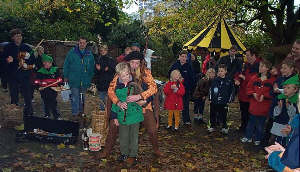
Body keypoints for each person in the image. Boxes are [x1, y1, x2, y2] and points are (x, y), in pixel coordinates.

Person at [98, 51, 163, 159]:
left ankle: (156, 149)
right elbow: (111, 90)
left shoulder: (145, 72)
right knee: (114, 125)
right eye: (132, 62)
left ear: (141, 63)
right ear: (128, 62)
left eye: (137, 63)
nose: (135, 65)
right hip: (125, 109)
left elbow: (154, 88)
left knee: (152, 129)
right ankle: (107, 151)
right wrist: (118, 102)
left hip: (143, 107)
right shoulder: (123, 72)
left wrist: (141, 96)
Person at [110, 62, 144, 166]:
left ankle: (133, 155)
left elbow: (143, 98)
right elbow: (114, 103)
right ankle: (124, 153)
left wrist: (138, 100)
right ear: (118, 76)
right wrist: (114, 116)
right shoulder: (117, 88)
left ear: (130, 73)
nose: (125, 78)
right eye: (122, 75)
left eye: (127, 75)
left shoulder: (135, 85)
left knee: (134, 137)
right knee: (123, 137)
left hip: (134, 116)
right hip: (122, 117)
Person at [241, 59, 276, 146]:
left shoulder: (272, 80)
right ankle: (248, 136)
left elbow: (273, 92)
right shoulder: (255, 78)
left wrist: (264, 96)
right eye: (260, 66)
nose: (260, 68)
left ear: (267, 68)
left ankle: (258, 138)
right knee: (251, 122)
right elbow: (248, 88)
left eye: (262, 66)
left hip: (264, 107)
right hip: (254, 105)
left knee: (260, 124)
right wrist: (253, 94)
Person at [2, 28, 35, 117]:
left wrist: (27, 63)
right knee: (14, 95)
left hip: (24, 75)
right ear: (13, 38)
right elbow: (3, 60)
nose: (19, 37)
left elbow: (32, 60)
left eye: (20, 36)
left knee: (27, 95)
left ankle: (29, 114)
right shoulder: (8, 47)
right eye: (17, 36)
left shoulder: (26, 47)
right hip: (13, 75)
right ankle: (15, 115)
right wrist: (7, 61)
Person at [63, 37, 95, 120]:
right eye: (81, 42)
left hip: (85, 80)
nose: (82, 44)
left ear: (86, 43)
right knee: (75, 97)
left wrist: (90, 78)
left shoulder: (89, 54)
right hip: (74, 79)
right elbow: (66, 65)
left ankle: (82, 112)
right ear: (78, 43)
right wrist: (65, 76)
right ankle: (75, 114)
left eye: (84, 43)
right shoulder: (72, 53)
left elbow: (92, 68)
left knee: (83, 97)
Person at [234, 48, 261, 132]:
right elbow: (239, 73)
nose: (246, 57)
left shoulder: (259, 66)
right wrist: (237, 79)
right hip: (243, 93)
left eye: (248, 55)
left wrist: (245, 78)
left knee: (252, 113)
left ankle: (252, 130)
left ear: (254, 56)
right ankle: (244, 127)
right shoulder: (246, 64)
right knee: (243, 111)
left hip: (252, 94)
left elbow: (258, 79)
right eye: (246, 55)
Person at [270, 75, 299, 147]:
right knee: (276, 141)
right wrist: (279, 108)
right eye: (284, 87)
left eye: (288, 88)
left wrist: (289, 107)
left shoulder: (296, 102)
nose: (285, 89)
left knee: (284, 143)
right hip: (279, 124)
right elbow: (275, 113)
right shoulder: (281, 98)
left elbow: (294, 116)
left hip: (287, 126)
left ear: (295, 90)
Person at [169, 50, 195, 125]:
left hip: (185, 89)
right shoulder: (175, 65)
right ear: (179, 57)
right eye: (182, 56)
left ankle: (186, 120)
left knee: (185, 105)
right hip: (175, 89)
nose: (183, 58)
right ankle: (173, 119)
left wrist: (189, 87)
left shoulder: (189, 66)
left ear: (187, 58)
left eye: (185, 57)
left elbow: (192, 78)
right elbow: (170, 76)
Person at [208, 64, 234, 134]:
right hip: (214, 101)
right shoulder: (215, 80)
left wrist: (229, 100)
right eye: (219, 71)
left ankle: (224, 127)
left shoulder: (229, 81)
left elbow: (231, 91)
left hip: (224, 102)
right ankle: (212, 126)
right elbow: (210, 90)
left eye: (222, 71)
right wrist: (210, 98)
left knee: (224, 115)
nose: (220, 72)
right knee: (212, 114)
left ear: (225, 71)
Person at [34, 55, 63, 119]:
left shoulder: (55, 70)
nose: (47, 64)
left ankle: (56, 115)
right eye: (45, 62)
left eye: (49, 63)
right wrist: (38, 87)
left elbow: (60, 78)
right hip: (44, 90)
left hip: (53, 89)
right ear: (43, 63)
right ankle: (47, 114)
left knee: (53, 102)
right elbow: (36, 81)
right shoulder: (40, 72)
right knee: (46, 102)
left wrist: (60, 84)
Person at [95, 44, 116, 110]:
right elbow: (96, 69)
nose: (103, 51)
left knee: (109, 99)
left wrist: (102, 69)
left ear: (107, 50)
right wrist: (102, 69)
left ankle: (109, 113)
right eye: (101, 50)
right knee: (101, 100)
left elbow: (112, 69)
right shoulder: (98, 59)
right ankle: (102, 113)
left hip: (108, 82)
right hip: (101, 82)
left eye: (104, 50)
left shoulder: (110, 59)